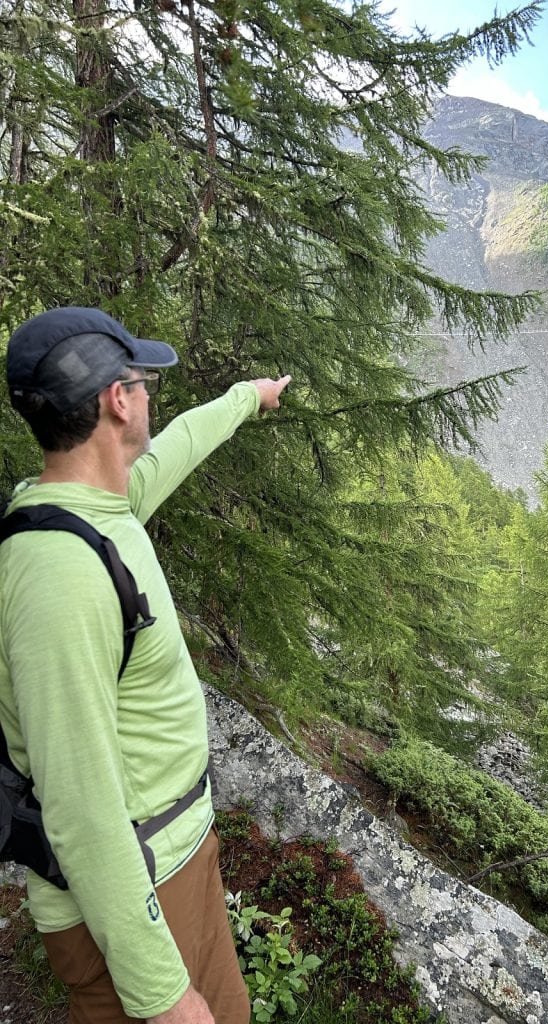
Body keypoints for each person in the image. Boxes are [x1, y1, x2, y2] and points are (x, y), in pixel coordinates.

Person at [0, 306, 291, 1024]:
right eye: (144, 382)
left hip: (173, 857)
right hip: (130, 884)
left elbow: (180, 444)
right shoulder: (60, 575)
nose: (153, 398)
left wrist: (247, 399)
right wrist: (163, 997)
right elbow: (79, 806)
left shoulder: (95, 507)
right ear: (117, 400)